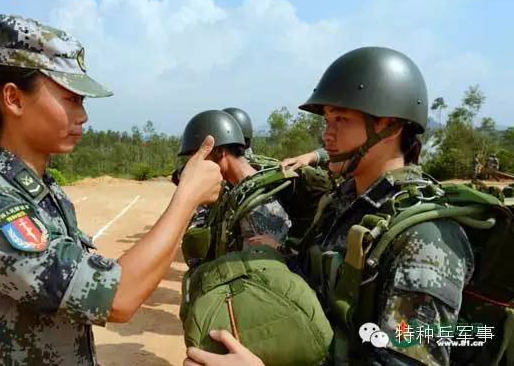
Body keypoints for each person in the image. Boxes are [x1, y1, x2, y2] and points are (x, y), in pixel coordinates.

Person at [0, 14, 222, 365]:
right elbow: (117, 297)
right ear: (13, 99)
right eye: (71, 99)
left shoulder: (44, 192)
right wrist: (187, 198)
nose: (83, 116)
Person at [184, 47, 474, 366]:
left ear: (390, 126)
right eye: (327, 120)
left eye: (342, 120)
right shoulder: (343, 202)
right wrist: (283, 258)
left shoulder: (425, 238)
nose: (328, 135)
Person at [178, 110, 291, 252]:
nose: (196, 165)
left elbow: (271, 268)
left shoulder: (258, 203)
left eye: (199, 157)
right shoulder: (234, 190)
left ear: (219, 152)